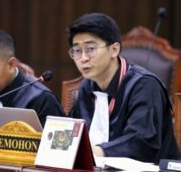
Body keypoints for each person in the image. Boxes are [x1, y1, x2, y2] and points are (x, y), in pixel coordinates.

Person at [66, 12, 179, 163]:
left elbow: (141, 143)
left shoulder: (144, 85)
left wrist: (97, 151)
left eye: (90, 49)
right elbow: (74, 132)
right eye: (77, 51)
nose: (83, 58)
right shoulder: (87, 86)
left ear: (114, 50)